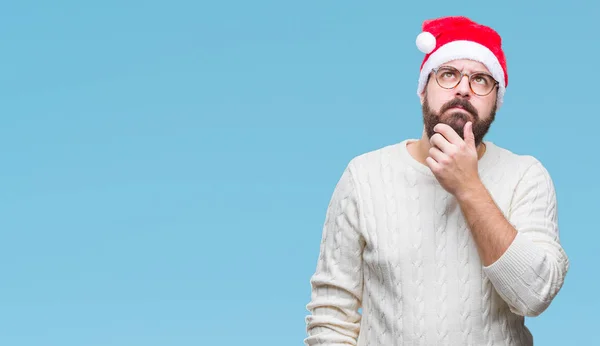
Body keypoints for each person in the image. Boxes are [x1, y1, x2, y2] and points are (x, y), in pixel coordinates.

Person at [304, 16, 569, 346]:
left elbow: (534, 295)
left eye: (481, 80)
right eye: (448, 74)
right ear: (422, 89)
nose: (463, 88)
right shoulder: (364, 177)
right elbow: (331, 319)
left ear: (496, 99)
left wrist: (468, 187)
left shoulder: (526, 176)